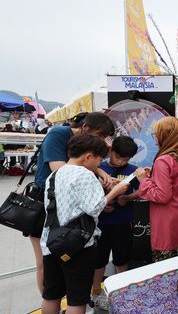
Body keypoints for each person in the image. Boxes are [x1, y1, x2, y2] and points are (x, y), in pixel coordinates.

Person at [40, 134, 129, 314]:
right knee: (77, 299)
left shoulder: (54, 175)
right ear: (88, 156)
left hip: (51, 243)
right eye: (99, 159)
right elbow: (95, 208)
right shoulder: (86, 175)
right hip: (78, 245)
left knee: (51, 295)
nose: (99, 165)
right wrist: (116, 191)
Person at [29, 112, 115, 295]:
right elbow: (61, 170)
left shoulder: (82, 155)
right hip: (49, 207)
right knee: (45, 261)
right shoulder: (58, 134)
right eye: (99, 136)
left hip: (68, 211)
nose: (100, 140)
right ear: (85, 129)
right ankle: (57, 302)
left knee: (66, 267)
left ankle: (59, 302)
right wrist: (96, 180)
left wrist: (98, 176)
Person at [135, 117, 178, 262]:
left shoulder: (163, 160)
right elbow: (177, 184)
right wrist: (153, 177)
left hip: (166, 222)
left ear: (167, 136)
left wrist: (144, 181)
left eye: (157, 133)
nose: (155, 137)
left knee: (165, 265)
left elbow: (162, 195)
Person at [91, 136, 140, 310]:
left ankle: (121, 291)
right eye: (117, 157)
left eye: (125, 159)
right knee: (98, 261)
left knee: (122, 259)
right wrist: (102, 207)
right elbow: (89, 197)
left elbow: (142, 191)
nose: (120, 162)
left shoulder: (134, 171)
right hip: (100, 224)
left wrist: (128, 197)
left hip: (123, 222)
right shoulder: (98, 168)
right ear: (110, 150)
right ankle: (95, 292)